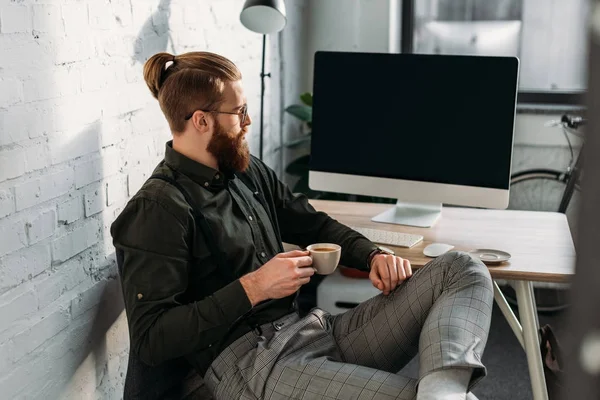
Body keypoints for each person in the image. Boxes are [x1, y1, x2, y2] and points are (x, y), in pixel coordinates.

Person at [110, 51, 494, 400]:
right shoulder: (158, 209)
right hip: (254, 366)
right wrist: (255, 287)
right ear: (201, 120)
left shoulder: (246, 171)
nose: (248, 122)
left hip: (311, 330)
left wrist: (373, 254)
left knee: (463, 269)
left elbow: (313, 224)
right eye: (239, 112)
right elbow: (151, 339)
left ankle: (444, 390)